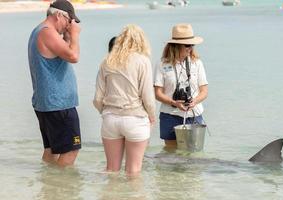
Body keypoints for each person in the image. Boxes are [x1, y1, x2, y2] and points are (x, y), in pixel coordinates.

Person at [93, 24, 156, 176]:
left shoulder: (107, 61)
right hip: (135, 118)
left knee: (111, 169)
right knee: (133, 172)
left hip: (110, 119)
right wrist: (152, 116)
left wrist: (106, 112)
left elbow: (97, 98)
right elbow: (147, 96)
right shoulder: (143, 61)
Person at [28, 0, 81, 167]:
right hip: (59, 105)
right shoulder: (47, 32)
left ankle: (49, 187)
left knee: (52, 150)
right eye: (69, 21)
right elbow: (73, 56)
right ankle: (61, 190)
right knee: (71, 149)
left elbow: (62, 54)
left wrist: (67, 35)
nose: (69, 26)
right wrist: (75, 35)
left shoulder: (39, 31)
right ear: (59, 15)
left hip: (48, 103)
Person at [154, 23, 208, 149]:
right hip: (170, 115)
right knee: (171, 154)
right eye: (187, 45)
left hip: (194, 115)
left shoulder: (197, 63)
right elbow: (158, 93)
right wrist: (174, 102)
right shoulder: (162, 64)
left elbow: (204, 91)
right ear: (176, 46)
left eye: (192, 45)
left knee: (194, 155)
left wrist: (195, 101)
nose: (191, 48)